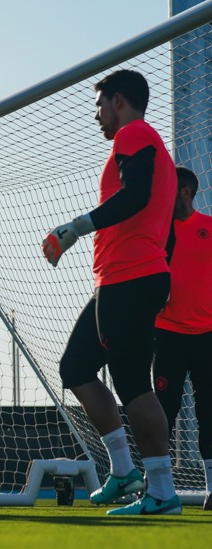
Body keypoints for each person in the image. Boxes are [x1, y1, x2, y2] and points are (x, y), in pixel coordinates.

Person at [41, 69, 180, 515]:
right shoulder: (149, 144)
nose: (97, 116)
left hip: (130, 279)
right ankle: (124, 472)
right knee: (77, 367)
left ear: (118, 101)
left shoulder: (134, 134)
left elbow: (136, 195)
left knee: (133, 383)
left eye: (99, 105)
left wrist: (75, 228)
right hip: (120, 280)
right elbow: (164, 230)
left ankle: (162, 491)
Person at [152, 166, 212, 511]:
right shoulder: (157, 233)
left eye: (169, 190)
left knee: (210, 415)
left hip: (208, 339)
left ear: (186, 193)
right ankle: (157, 488)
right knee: (162, 413)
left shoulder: (208, 229)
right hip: (168, 337)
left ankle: (211, 490)